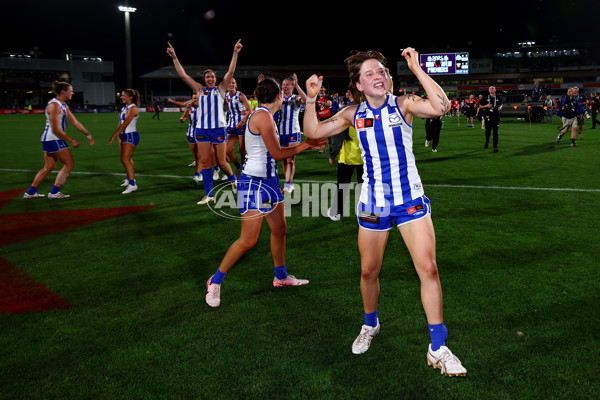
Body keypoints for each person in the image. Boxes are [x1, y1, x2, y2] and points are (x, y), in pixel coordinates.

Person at [303, 48, 467, 376]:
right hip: (375, 203)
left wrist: (416, 68)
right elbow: (313, 133)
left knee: (429, 269)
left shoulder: (404, 103)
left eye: (381, 71)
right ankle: (370, 324)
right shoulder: (352, 113)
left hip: (411, 200)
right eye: (369, 73)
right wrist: (309, 99)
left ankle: (438, 347)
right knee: (368, 272)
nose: (378, 76)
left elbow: (441, 106)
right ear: (359, 85)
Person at [204, 77, 325, 308]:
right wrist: (308, 144)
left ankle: (280, 277)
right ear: (279, 97)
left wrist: (305, 145)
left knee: (279, 229)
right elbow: (278, 154)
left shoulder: (263, 115)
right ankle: (215, 280)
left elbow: (269, 151)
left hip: (268, 182)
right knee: (248, 240)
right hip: (253, 184)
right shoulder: (261, 116)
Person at [166, 40, 241, 204]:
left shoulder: (221, 89)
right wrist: (174, 57)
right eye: (208, 76)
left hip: (219, 129)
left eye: (212, 76)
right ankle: (209, 195)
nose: (210, 78)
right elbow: (183, 75)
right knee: (206, 162)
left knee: (221, 162)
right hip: (201, 130)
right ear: (204, 79)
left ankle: (233, 179)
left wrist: (235, 52)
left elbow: (231, 71)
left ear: (215, 78)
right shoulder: (199, 90)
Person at [24, 81, 95, 199]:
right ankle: (54, 192)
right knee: (69, 164)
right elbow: (56, 129)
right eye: (70, 90)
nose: (72, 92)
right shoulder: (54, 105)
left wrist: (88, 135)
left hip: (51, 139)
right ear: (63, 91)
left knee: (49, 167)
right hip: (54, 138)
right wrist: (72, 140)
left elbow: (75, 122)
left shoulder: (63, 105)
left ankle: (30, 193)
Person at [327, 87, 363, 221]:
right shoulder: (369, 108)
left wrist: (332, 154)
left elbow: (338, 134)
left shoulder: (346, 110)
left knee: (342, 185)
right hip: (366, 156)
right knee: (365, 186)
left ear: (349, 93)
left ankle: (337, 212)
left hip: (348, 154)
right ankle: (366, 213)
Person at [278, 73, 307, 194]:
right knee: (284, 159)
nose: (285, 87)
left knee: (291, 159)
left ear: (292, 87)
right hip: (280, 132)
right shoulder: (278, 98)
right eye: (283, 85)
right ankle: (288, 181)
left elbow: (305, 99)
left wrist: (298, 85)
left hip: (293, 131)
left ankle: (289, 183)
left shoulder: (295, 98)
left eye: (287, 85)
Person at [108, 89, 141, 194]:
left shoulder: (133, 108)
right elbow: (120, 122)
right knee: (127, 159)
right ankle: (129, 178)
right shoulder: (124, 108)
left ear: (130, 97)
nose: (121, 97)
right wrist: (119, 136)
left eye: (123, 95)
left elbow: (126, 123)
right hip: (123, 136)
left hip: (130, 136)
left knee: (125, 159)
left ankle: (132, 184)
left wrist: (114, 135)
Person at [170, 93, 203, 182]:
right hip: (190, 134)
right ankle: (200, 171)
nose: (195, 100)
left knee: (200, 155)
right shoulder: (189, 108)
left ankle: (198, 174)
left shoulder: (204, 108)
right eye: (193, 98)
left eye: (196, 98)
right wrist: (182, 120)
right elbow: (183, 118)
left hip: (201, 134)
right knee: (196, 156)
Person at [225, 77, 252, 177]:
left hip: (242, 124)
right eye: (229, 83)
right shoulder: (226, 96)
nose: (231, 84)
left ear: (235, 85)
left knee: (242, 150)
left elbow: (249, 110)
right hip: (231, 124)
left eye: (233, 83)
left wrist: (242, 121)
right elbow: (225, 108)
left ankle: (244, 171)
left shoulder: (240, 95)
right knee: (227, 151)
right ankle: (238, 166)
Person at [479, 86, 503, 153]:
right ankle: (487, 143)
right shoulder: (485, 98)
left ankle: (495, 147)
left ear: (495, 90)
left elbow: (501, 104)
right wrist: (486, 106)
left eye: (493, 88)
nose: (491, 89)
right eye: (490, 88)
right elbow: (480, 106)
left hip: (496, 116)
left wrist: (500, 107)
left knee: (495, 132)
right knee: (488, 131)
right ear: (489, 90)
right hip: (488, 116)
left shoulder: (498, 98)